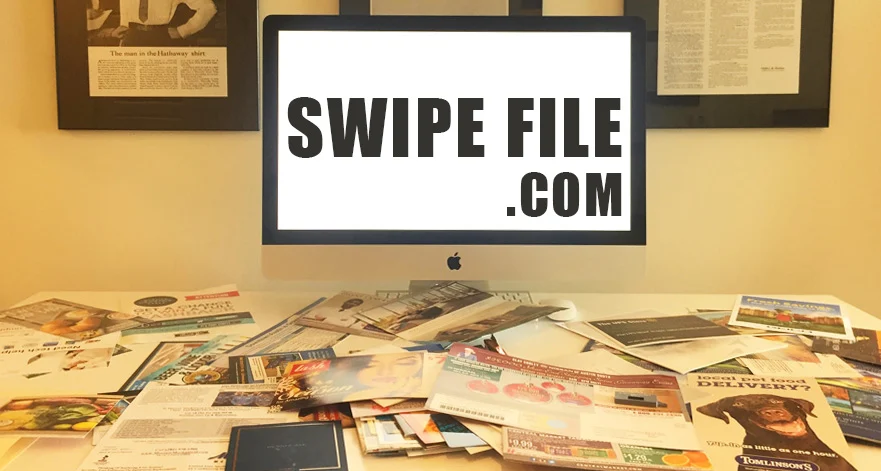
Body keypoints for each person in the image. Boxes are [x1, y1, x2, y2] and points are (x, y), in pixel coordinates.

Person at [103, 0, 218, 47]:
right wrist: (123, 28)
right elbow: (125, 9)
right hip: (132, 38)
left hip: (160, 38)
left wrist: (183, 31)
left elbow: (208, 8)